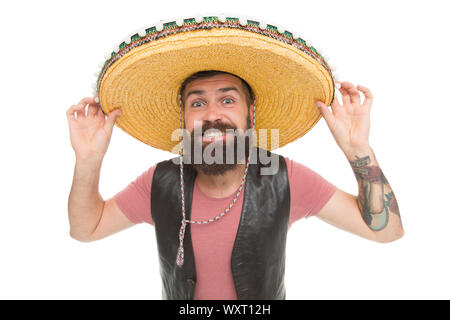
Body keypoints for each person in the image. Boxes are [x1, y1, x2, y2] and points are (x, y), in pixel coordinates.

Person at [66, 16, 404, 300]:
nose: (212, 115)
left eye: (227, 100)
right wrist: (88, 160)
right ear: (184, 119)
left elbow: (385, 232)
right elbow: (86, 229)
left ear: (250, 113)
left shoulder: (285, 178)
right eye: (197, 103)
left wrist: (358, 150)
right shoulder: (159, 183)